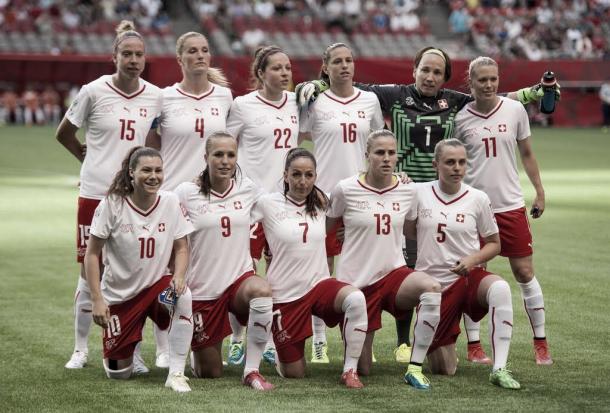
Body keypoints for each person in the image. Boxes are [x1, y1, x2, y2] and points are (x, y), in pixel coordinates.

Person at [297, 45, 557, 364]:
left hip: (441, 197)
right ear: (414, 70)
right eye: (425, 69)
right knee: (400, 267)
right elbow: (351, 84)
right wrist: (320, 83)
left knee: (431, 270)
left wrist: (534, 92)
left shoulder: (456, 102)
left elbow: (495, 95)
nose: (430, 76)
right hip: (404, 194)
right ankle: (387, 340)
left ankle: (422, 341)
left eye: (437, 71)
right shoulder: (394, 94)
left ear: (445, 77)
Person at [56, 20, 162, 372]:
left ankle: (132, 350)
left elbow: (158, 141)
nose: (133, 60)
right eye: (126, 54)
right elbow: (64, 133)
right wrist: (87, 159)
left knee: (134, 272)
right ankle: (80, 348)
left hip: (134, 198)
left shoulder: (155, 95)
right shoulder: (93, 91)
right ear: (113, 56)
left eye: (139, 55)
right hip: (96, 194)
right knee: (90, 272)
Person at [454, 56, 552, 366]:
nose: (488, 84)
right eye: (481, 79)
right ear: (470, 83)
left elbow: (527, 154)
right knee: (473, 275)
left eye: (493, 78)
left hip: (510, 205)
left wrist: (539, 191)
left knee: (524, 272)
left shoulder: (515, 110)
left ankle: (540, 342)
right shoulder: (459, 118)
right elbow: (453, 162)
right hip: (474, 210)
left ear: (499, 79)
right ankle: (474, 345)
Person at [145, 31, 232, 369]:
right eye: (192, 51)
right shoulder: (164, 99)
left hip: (211, 198)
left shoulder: (224, 97)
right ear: (179, 59)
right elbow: (150, 145)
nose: (200, 55)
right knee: (166, 271)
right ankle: (163, 345)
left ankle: (220, 340)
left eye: (205, 50)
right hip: (171, 196)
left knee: (206, 269)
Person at [328, 130, 441, 390]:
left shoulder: (407, 190)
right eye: (380, 152)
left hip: (393, 274)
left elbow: (413, 230)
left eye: (391, 152)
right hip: (356, 284)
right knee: (364, 368)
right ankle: (353, 364)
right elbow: (327, 227)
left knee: (431, 288)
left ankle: (414, 367)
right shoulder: (345, 188)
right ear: (367, 155)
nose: (386, 158)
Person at [404, 139, 521, 390]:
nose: (457, 168)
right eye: (449, 162)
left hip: (469, 278)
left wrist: (472, 260)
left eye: (461, 162)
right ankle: (442, 343)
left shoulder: (478, 198)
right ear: (436, 165)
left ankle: (499, 368)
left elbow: (494, 243)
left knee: (500, 289)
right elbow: (408, 230)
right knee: (445, 370)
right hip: (435, 286)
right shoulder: (418, 192)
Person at [251, 148, 369, 389]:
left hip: (319, 285)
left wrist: (402, 179)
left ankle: (350, 370)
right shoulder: (266, 203)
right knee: (295, 373)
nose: (302, 181)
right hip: (285, 294)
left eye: (308, 175)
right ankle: (277, 355)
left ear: (316, 176)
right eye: (296, 174)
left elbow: (362, 203)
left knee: (356, 298)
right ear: (285, 175)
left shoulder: (324, 202)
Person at [298, 42, 384, 364]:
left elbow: (380, 142)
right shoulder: (314, 102)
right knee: (322, 269)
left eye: (349, 60)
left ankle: (361, 339)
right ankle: (319, 339)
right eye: (337, 61)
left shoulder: (370, 100)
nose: (345, 66)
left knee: (364, 268)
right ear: (326, 66)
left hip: (363, 195)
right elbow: (298, 139)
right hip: (323, 196)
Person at [85, 147, 194, 392]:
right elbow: (92, 254)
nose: (153, 176)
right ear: (131, 173)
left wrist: (178, 275)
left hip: (156, 288)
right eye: (146, 170)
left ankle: (176, 373)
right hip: (120, 297)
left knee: (183, 294)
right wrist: (96, 299)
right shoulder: (111, 204)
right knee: (118, 374)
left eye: (158, 170)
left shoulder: (170, 201)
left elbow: (182, 248)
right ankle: (131, 346)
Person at [174, 132, 275, 391]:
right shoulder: (186, 192)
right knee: (210, 372)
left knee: (261, 290)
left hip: (238, 281)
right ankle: (194, 352)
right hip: (203, 290)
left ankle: (251, 370)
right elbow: (165, 223)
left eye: (231, 155)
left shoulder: (248, 189)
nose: (225, 161)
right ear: (205, 157)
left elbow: (281, 205)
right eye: (218, 154)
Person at [226, 45, 299, 365]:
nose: (284, 73)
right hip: (251, 204)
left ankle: (269, 339)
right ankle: (237, 339)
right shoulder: (242, 106)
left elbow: (328, 86)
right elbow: (223, 147)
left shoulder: (298, 102)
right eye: (277, 68)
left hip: (285, 204)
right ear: (260, 74)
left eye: (288, 68)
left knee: (280, 275)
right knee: (243, 271)